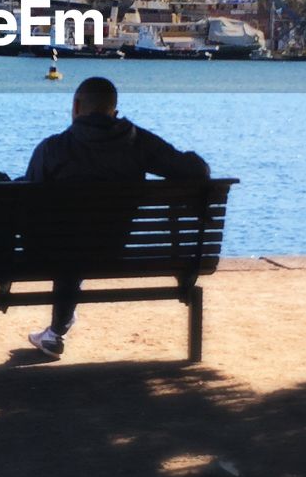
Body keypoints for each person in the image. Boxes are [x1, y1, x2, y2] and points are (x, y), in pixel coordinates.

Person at [22, 75, 209, 358]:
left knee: (68, 238)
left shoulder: (53, 148)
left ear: (75, 106)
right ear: (114, 110)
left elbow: (28, 202)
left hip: (57, 253)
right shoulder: (137, 142)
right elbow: (195, 170)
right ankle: (56, 330)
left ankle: (57, 330)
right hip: (115, 248)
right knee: (82, 236)